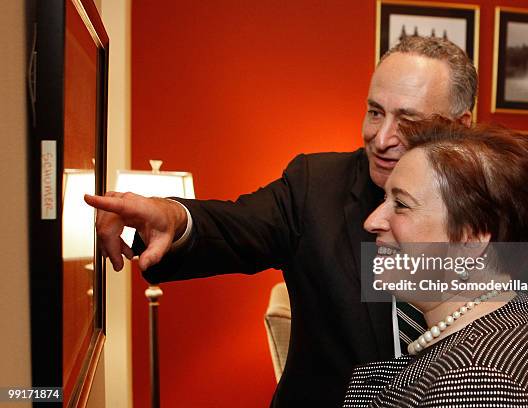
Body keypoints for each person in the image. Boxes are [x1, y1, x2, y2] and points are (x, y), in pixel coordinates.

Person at [85, 36, 477, 407]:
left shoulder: (502, 207)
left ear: (461, 126)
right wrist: (173, 216)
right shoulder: (316, 186)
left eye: (407, 120)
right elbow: (235, 225)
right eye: (375, 112)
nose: (381, 137)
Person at [343, 119, 528, 407]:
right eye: (384, 199)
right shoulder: (509, 312)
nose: (372, 221)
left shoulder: (480, 382)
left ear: (471, 239)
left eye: (401, 204)